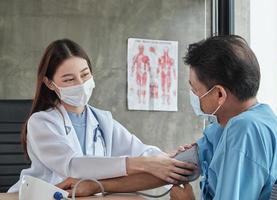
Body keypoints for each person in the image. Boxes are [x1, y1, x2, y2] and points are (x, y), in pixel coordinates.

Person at [8, 39, 196, 193]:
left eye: (85, 75)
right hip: (42, 195)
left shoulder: (101, 120)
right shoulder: (42, 122)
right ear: (49, 83)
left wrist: (169, 158)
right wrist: (143, 163)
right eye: (69, 79)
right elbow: (73, 166)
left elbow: (139, 150)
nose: (81, 84)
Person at [170, 35, 277, 199]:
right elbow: (197, 154)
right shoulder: (244, 121)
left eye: (195, 90)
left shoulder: (245, 129)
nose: (194, 96)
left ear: (219, 94)